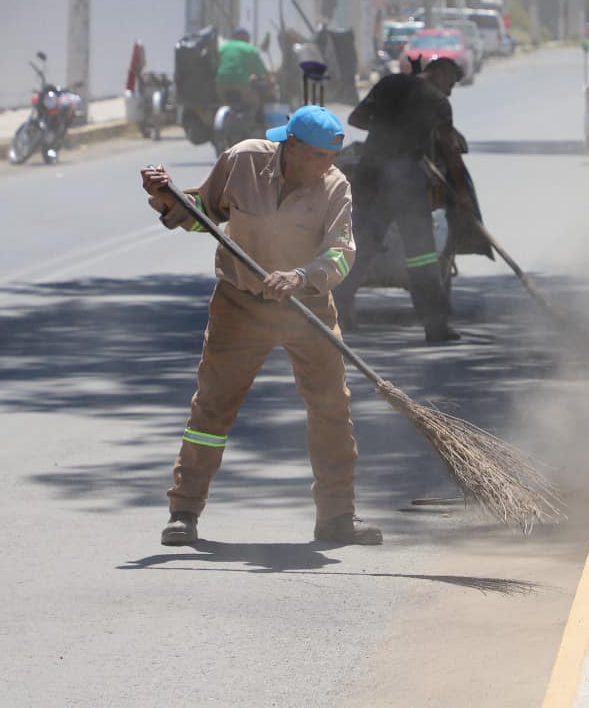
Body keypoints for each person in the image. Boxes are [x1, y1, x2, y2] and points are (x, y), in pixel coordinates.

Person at [141, 105, 384, 548]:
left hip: (307, 308)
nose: (326, 167)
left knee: (331, 408)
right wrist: (165, 196)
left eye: (332, 158)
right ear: (290, 145)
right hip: (241, 304)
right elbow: (202, 213)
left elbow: (341, 253)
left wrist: (300, 276)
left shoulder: (335, 186)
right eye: (317, 158)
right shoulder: (243, 160)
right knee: (211, 408)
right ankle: (184, 512)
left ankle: (337, 517)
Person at [333, 56, 469, 343]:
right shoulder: (438, 103)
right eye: (451, 83)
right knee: (422, 254)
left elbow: (356, 118)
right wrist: (462, 193)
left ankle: (333, 315)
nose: (450, 92)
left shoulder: (389, 83)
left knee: (360, 247)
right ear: (439, 74)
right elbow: (451, 151)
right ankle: (435, 325)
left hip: (370, 175)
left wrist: (385, 127)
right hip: (407, 181)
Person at [216, 28, 270, 112]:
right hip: (240, 83)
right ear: (247, 39)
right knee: (254, 102)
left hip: (221, 83)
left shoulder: (223, 47)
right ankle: (249, 122)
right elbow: (261, 73)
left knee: (222, 104)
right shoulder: (249, 49)